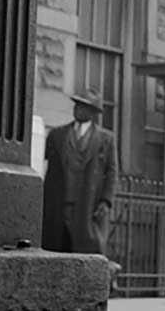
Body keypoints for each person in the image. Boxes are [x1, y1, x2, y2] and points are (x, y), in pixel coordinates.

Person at [42, 89, 119, 287]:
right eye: (76, 104)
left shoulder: (106, 139)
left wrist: (106, 201)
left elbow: (111, 173)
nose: (77, 109)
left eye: (83, 106)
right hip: (58, 204)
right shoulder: (57, 135)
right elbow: (44, 165)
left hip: (87, 206)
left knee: (88, 251)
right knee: (56, 249)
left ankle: (97, 286)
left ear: (93, 113)